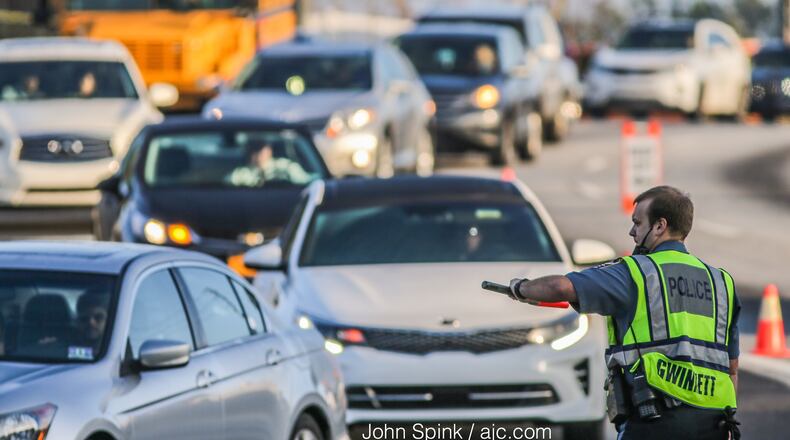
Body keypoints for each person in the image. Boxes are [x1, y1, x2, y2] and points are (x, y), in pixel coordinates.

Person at [506, 186, 741, 440]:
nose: (632, 232)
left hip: (653, 422)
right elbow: (731, 369)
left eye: (638, 223)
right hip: (714, 424)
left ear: (660, 226)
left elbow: (560, 286)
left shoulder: (636, 273)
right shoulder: (721, 282)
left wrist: (521, 288)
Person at [228, 142, 313, 187]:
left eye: (260, 149)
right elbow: (226, 186)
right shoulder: (240, 174)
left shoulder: (286, 167)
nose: (258, 154)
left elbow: (305, 181)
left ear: (269, 151)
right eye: (254, 150)